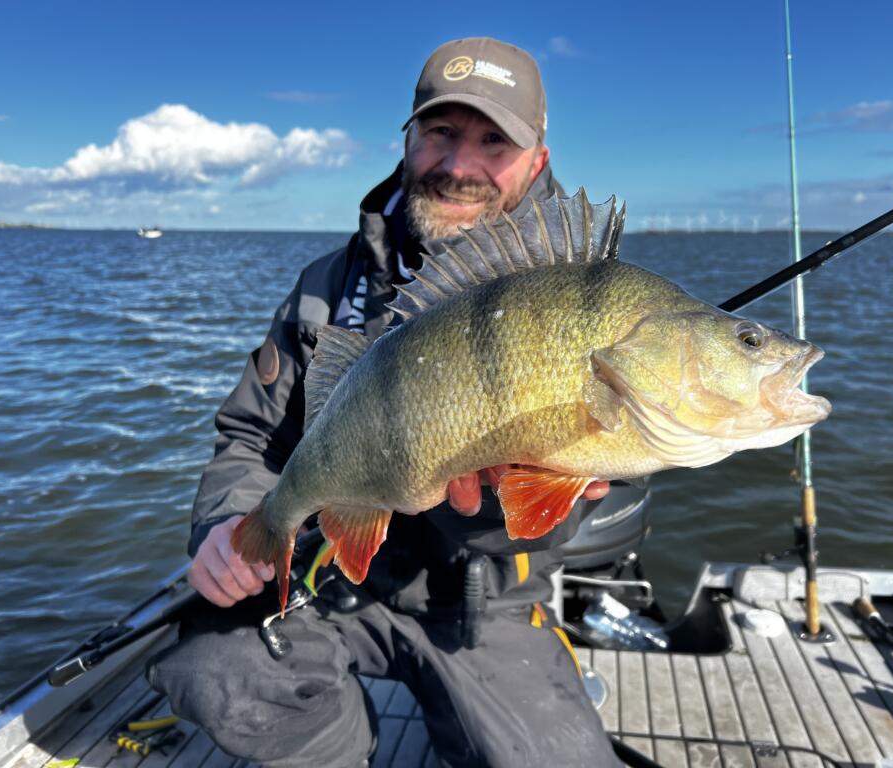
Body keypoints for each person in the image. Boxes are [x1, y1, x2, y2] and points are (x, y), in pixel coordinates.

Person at [148, 37, 624, 768]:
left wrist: (501, 496)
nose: (460, 165)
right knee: (213, 669)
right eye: (441, 133)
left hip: (479, 607)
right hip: (332, 583)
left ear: (538, 162)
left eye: (493, 141)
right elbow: (252, 436)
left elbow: (570, 505)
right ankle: (345, 747)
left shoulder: (591, 306)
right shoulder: (328, 287)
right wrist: (225, 525)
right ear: (408, 140)